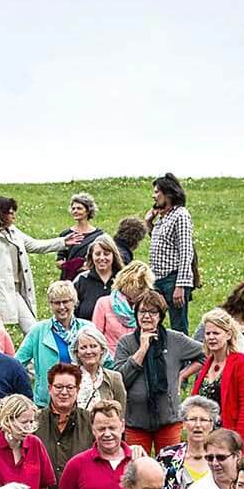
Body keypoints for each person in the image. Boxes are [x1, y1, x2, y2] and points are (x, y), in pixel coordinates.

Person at [112, 290, 203, 453]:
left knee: (170, 469)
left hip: (168, 420)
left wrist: (182, 375)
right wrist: (142, 349)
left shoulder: (175, 339)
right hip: (136, 422)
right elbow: (120, 380)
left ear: (160, 316)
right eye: (142, 311)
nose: (147, 316)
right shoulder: (126, 343)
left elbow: (205, 354)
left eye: (152, 312)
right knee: (137, 471)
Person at [0, 196, 65, 332]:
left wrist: (63, 242)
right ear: (0, 214)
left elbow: (35, 245)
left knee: (32, 328)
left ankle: (33, 353)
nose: (13, 215)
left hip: (15, 291)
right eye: (10, 212)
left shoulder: (14, 233)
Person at [56, 400, 133, 489]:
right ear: (92, 429)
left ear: (122, 426)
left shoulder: (137, 461)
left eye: (112, 428)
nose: (107, 434)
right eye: (101, 429)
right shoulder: (76, 465)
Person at [186, 308, 244, 439]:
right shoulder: (207, 364)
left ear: (228, 335)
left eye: (216, 333)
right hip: (203, 437)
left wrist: (238, 442)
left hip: (227, 437)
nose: (211, 337)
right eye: (208, 333)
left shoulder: (243, 363)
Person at [18, 281, 86, 406]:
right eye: (56, 303)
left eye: (65, 302)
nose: (61, 307)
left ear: (74, 302)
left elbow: (105, 360)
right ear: (50, 304)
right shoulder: (38, 331)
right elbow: (17, 363)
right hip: (47, 403)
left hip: (82, 400)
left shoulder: (87, 328)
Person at [145, 173, 196, 333]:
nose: (153, 196)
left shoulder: (180, 215)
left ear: (168, 193)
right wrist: (148, 223)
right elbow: (163, 244)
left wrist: (180, 285)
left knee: (178, 326)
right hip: (157, 278)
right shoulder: (163, 217)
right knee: (151, 321)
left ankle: (183, 357)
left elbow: (186, 251)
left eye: (156, 192)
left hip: (173, 278)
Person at [155, 394, 218, 489]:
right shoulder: (167, 457)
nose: (198, 425)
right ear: (183, 424)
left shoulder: (220, 459)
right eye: (192, 419)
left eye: (204, 420)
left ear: (211, 425)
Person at [90, 260, 154, 350]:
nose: (138, 293)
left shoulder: (146, 307)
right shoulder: (103, 303)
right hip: (110, 358)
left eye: (142, 288)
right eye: (134, 288)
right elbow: (95, 337)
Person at [69, 324, 126, 414]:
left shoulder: (114, 378)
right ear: (77, 353)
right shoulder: (69, 378)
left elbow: (120, 413)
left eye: (93, 346)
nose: (88, 351)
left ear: (102, 349)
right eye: (83, 347)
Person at [71, 234, 122, 324]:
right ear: (91, 256)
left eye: (106, 254)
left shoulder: (123, 280)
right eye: (97, 254)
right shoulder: (81, 280)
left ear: (113, 256)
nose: (102, 258)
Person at [55, 192, 105, 281]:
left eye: (79, 208)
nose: (75, 211)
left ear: (88, 210)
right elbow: (59, 261)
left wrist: (89, 266)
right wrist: (70, 266)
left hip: (91, 279)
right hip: (69, 279)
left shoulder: (99, 235)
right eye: (73, 208)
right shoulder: (66, 234)